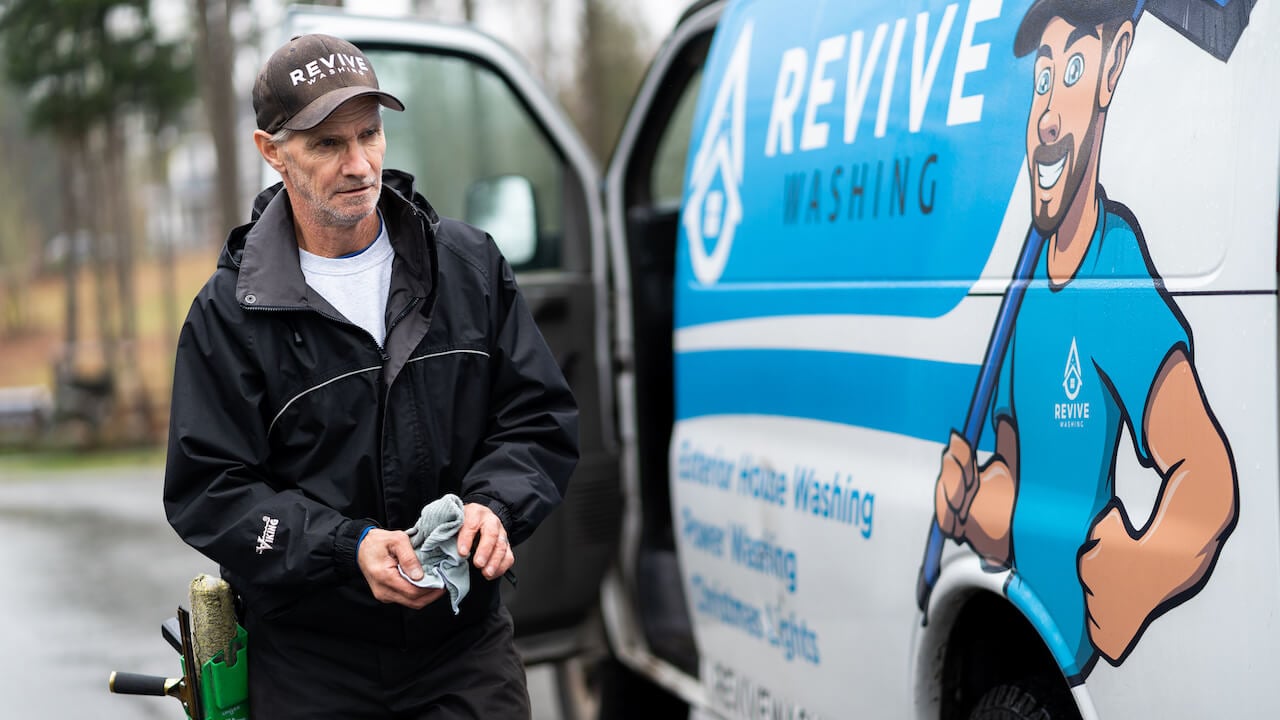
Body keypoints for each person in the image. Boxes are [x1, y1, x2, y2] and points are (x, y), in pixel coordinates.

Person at [163, 33, 579, 719]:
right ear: (272, 151)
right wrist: (345, 548)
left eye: (370, 134)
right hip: (308, 662)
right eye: (328, 144)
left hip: (463, 649)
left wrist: (495, 506)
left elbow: (537, 419)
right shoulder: (229, 314)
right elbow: (209, 489)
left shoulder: (468, 268)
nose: (359, 164)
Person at [931, 0, 1238, 682]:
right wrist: (973, 501)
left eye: (1072, 70)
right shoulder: (1022, 286)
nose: (1045, 110)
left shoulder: (1114, 266)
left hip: (1071, 675)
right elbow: (1018, 481)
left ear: (1114, 68)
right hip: (1024, 633)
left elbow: (1206, 472)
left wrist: (1145, 568)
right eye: (1044, 76)